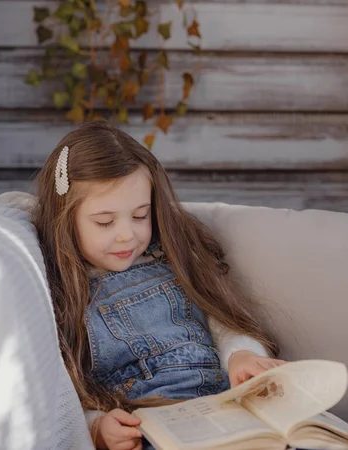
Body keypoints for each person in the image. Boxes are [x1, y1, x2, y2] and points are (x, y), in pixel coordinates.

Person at [32, 120, 286, 450]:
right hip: (150, 426)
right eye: (105, 222)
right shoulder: (61, 290)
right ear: (64, 219)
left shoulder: (174, 256)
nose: (127, 234)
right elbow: (60, 391)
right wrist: (96, 428)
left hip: (226, 407)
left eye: (140, 215)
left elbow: (225, 321)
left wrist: (242, 356)